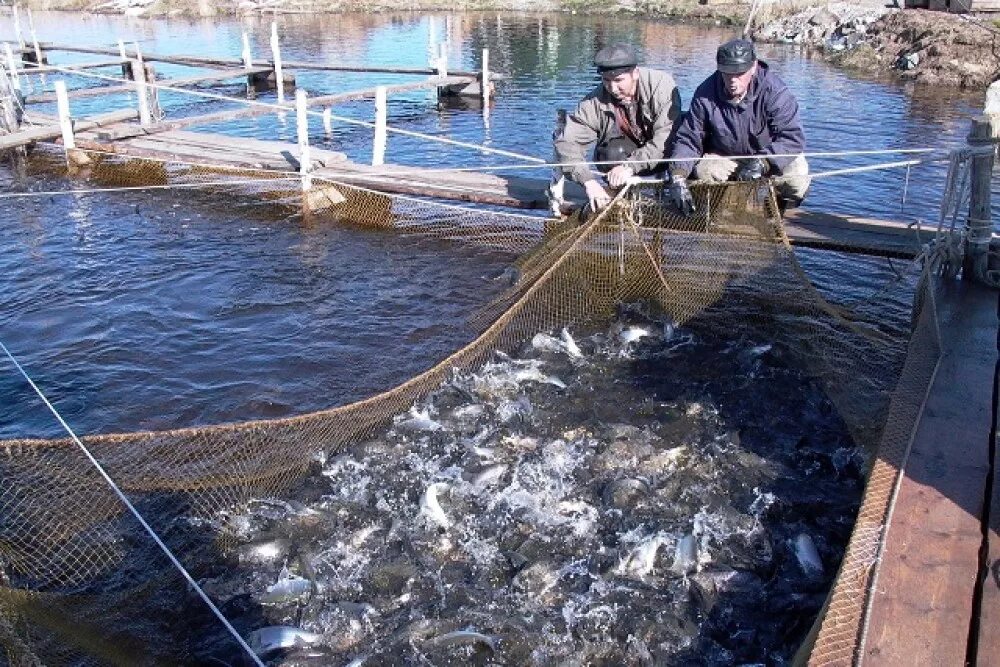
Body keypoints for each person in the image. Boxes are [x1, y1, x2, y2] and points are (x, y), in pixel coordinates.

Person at [667, 38, 811, 216]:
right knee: (705, 170)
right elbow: (689, 139)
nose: (733, 80)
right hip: (727, 157)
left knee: (797, 175)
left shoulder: (775, 92)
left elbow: (792, 138)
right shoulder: (705, 93)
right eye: (727, 73)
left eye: (739, 73)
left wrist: (764, 162)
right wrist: (678, 175)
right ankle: (719, 208)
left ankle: (778, 208)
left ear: (753, 67)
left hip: (769, 156)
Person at [552, 43, 682, 212]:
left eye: (619, 80)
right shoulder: (594, 101)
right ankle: (621, 193)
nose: (613, 88)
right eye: (606, 80)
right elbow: (566, 142)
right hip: (625, 151)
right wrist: (588, 181)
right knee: (610, 154)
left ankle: (656, 186)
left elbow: (665, 139)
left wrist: (630, 166)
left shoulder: (661, 85)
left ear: (635, 73)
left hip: (662, 152)